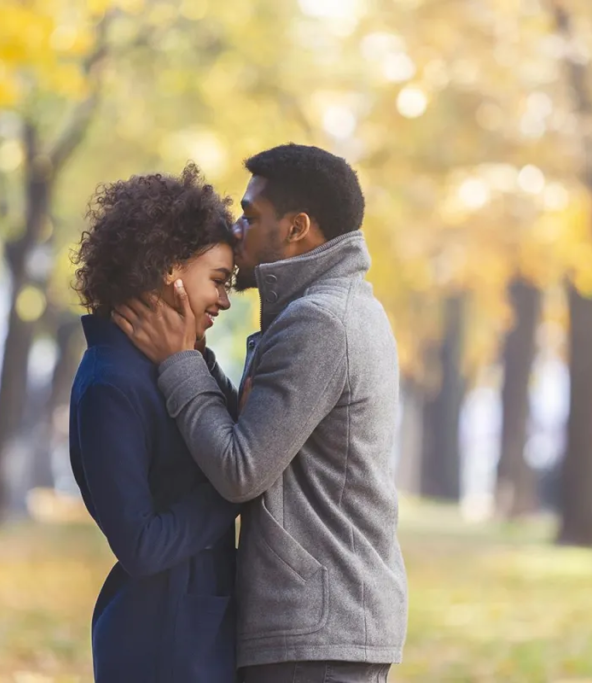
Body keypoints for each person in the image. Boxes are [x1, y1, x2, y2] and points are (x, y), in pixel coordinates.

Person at [113, 144, 408, 683]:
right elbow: (258, 434)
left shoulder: (321, 324)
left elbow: (242, 468)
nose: (236, 228)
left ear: (296, 227)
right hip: (323, 626)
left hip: (316, 633)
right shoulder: (331, 309)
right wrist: (191, 353)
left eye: (251, 216)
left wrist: (179, 362)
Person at [69, 164, 242, 682]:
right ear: (171, 268)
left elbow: (238, 429)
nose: (226, 300)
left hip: (191, 633)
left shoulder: (163, 367)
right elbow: (141, 546)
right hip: (162, 646)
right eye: (218, 280)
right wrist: (236, 486)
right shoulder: (111, 383)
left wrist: (194, 359)